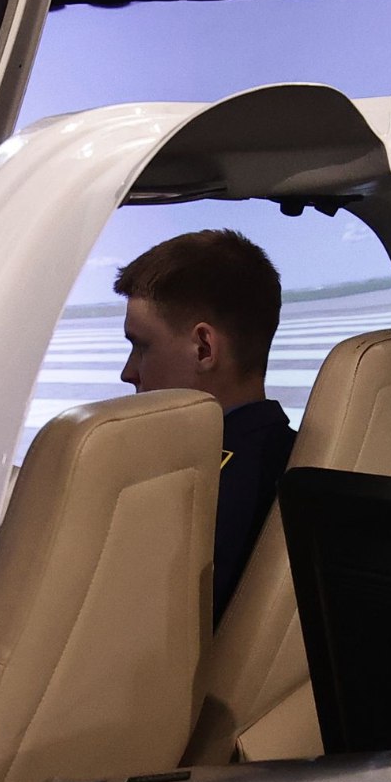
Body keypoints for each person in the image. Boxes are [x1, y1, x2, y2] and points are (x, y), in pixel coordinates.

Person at [114, 229, 292, 614]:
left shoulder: (200, 490)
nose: (128, 373)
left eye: (141, 346)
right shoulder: (288, 454)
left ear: (203, 349)